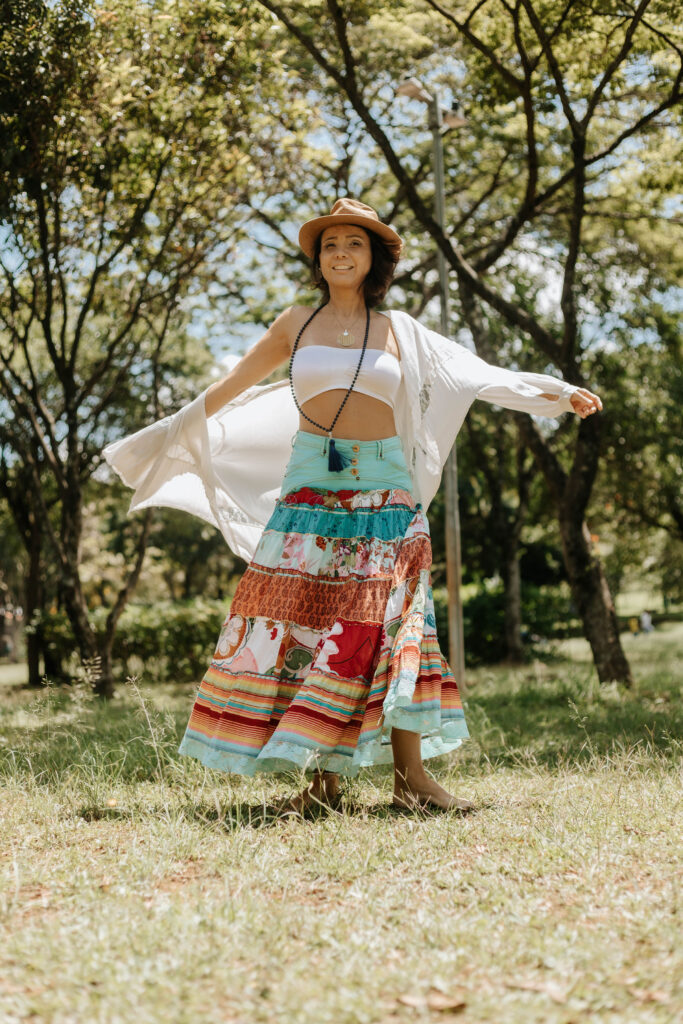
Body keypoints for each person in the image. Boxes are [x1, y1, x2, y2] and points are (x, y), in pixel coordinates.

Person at [104, 198, 602, 815]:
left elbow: (475, 374)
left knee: (395, 623)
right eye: (330, 244)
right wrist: (157, 440)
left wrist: (554, 393)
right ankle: (323, 785)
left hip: (388, 490)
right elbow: (226, 389)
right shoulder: (294, 324)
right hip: (310, 490)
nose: (341, 253)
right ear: (318, 259)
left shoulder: (400, 331)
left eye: (354, 243)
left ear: (374, 259)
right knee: (313, 626)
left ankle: (411, 780)